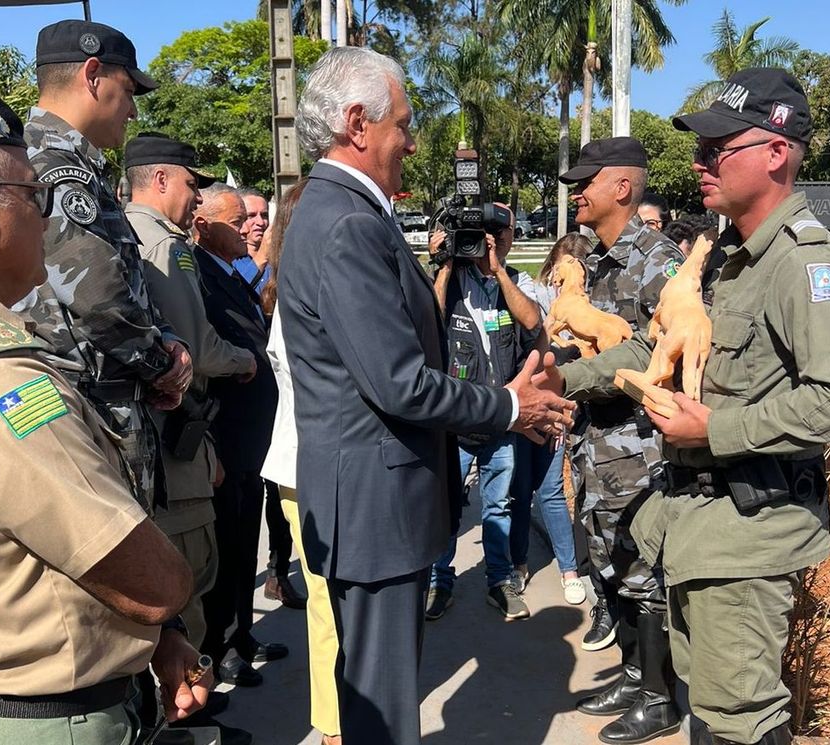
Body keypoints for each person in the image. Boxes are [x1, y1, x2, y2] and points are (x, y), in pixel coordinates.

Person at [0, 86, 207, 745]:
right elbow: (151, 582)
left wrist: (153, 640)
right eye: (33, 196)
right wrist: (167, 608)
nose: (49, 216)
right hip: (48, 717)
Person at [546, 67, 830, 745]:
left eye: (716, 148)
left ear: (776, 153)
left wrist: (716, 427)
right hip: (703, 527)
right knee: (713, 714)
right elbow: (647, 346)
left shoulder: (802, 263)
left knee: (740, 726)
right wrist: (562, 378)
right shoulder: (730, 259)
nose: (698, 163)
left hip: (748, 534)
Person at [278, 46, 575, 745]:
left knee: (374, 696)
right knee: (383, 711)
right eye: (403, 124)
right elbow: (398, 381)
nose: (411, 141)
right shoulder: (349, 223)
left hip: (366, 502)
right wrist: (507, 405)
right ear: (358, 123)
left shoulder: (336, 211)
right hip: (375, 510)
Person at [15, 19, 192, 512]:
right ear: (92, 75)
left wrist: (165, 339)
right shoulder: (52, 167)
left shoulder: (65, 163)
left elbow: (123, 277)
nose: (133, 109)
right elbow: (97, 297)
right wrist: (164, 365)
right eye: (129, 89)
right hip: (89, 407)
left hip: (101, 400)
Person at [123, 133, 257, 745]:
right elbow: (198, 350)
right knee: (189, 582)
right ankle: (183, 716)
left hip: (163, 441)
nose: (195, 196)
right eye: (189, 182)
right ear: (159, 181)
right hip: (174, 444)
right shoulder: (164, 246)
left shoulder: (127, 233)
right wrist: (249, 361)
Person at [559, 136, 685, 744]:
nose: (575, 191)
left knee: (646, 570)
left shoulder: (658, 262)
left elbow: (652, 357)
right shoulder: (602, 260)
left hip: (641, 449)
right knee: (613, 561)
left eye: (587, 180)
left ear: (623, 189)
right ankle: (636, 673)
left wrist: (566, 376)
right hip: (599, 444)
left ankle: (661, 697)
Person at [423, 213, 542, 622]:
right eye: (479, 236)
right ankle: (440, 583)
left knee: (499, 507)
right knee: (446, 507)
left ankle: (499, 582)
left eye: (498, 233)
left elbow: (532, 322)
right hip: (455, 421)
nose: (488, 241)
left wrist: (499, 273)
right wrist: (444, 263)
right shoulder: (449, 280)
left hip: (501, 419)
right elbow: (428, 321)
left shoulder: (515, 282)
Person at [192, 183, 287, 688]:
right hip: (226, 435)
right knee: (225, 548)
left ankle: (242, 636)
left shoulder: (229, 270)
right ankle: (220, 648)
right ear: (203, 225)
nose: (251, 227)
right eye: (241, 219)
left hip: (252, 439)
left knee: (246, 539)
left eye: (258, 217)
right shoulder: (198, 271)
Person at [259, 178, 342, 745]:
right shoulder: (308, 297)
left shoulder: (292, 290)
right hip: (312, 467)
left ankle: (336, 718)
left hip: (301, 464)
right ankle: (336, 726)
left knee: (326, 603)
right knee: (330, 608)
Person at [231, 188, 306, 610]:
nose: (257, 222)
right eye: (250, 215)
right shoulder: (237, 263)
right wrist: (265, 260)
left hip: (279, 398)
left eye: (264, 215)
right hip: (250, 403)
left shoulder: (279, 262)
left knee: (280, 505)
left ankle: (278, 572)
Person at [509, 232, 592, 606]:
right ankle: (518, 562)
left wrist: (557, 413)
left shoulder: (591, 306)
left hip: (558, 409)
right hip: (526, 407)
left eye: (576, 271)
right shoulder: (534, 298)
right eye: (562, 270)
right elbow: (537, 358)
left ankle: (568, 569)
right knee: (519, 489)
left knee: (552, 492)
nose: (567, 279)